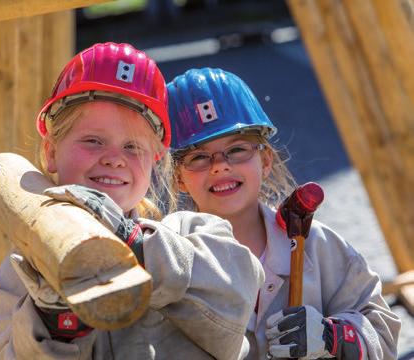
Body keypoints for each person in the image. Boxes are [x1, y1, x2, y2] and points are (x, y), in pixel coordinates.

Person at [0, 44, 265, 359]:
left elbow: (237, 295)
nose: (114, 159)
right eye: (93, 141)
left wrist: (135, 244)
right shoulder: (22, 277)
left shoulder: (186, 234)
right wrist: (53, 322)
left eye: (132, 146)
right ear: (51, 152)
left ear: (155, 160)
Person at [168, 67, 401, 359]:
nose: (220, 166)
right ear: (177, 177)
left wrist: (334, 337)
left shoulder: (317, 247)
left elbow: (383, 333)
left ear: (265, 160)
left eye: (237, 149)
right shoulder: (170, 263)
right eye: (198, 156)